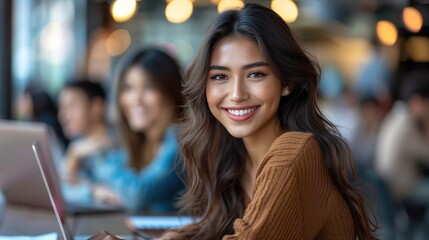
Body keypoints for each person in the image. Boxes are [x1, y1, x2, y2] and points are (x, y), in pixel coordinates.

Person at [158, 4, 376, 240]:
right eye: (220, 76)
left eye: (255, 74)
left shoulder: (293, 154)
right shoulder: (233, 157)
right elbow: (213, 226)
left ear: (286, 83)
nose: (236, 94)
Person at [81, 48, 185, 213]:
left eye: (149, 87)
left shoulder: (180, 138)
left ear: (170, 91)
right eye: (128, 88)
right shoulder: (146, 141)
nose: (136, 99)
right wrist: (94, 190)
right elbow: (92, 182)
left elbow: (136, 194)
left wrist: (99, 156)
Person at [376, 70, 429, 239]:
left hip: (388, 188)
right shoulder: (406, 125)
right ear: (417, 102)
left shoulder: (396, 116)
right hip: (401, 190)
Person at [58, 80, 118, 203]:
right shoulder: (78, 144)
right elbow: (59, 190)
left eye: (71, 106)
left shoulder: (117, 147)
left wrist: (89, 191)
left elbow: (117, 196)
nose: (63, 115)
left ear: (96, 107)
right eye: (61, 107)